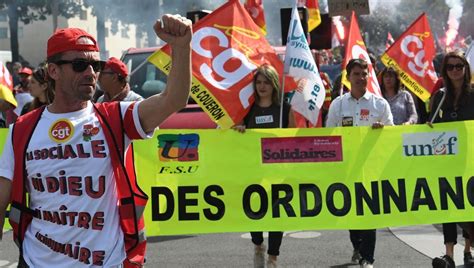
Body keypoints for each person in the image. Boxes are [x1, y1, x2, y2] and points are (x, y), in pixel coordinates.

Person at [0, 13, 192, 268]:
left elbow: (174, 99)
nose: (91, 73)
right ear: (53, 71)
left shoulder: (116, 117)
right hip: (38, 262)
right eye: (80, 64)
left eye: (96, 65)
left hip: (106, 263)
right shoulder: (21, 129)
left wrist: (181, 47)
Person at [326, 58, 394, 268]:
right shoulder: (338, 104)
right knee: (353, 214)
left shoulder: (379, 104)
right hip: (347, 166)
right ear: (348, 77)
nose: (360, 78)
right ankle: (357, 244)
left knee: (370, 212)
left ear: (368, 76)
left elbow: (393, 133)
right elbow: (329, 134)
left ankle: (368, 258)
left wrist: (382, 129)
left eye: (364, 74)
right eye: (356, 74)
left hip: (372, 166)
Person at [232, 64, 295, 268]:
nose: (261, 86)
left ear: (274, 84)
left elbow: (293, 138)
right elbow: (234, 134)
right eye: (258, 82)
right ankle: (258, 245)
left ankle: (273, 258)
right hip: (253, 171)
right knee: (254, 211)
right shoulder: (248, 109)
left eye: (266, 82)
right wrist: (239, 130)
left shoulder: (285, 109)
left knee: (277, 215)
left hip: (278, 171)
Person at [430, 51, 474, 268]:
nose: (455, 70)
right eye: (450, 67)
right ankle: (449, 254)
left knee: (469, 203)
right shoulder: (439, 97)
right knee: (448, 204)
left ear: (466, 69)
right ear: (445, 71)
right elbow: (428, 124)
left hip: (471, 160)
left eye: (459, 66)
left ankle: (468, 247)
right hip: (446, 160)